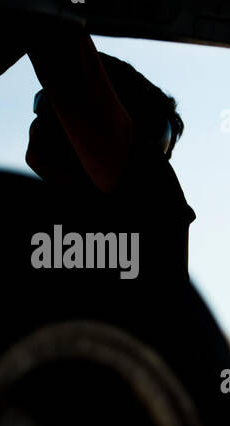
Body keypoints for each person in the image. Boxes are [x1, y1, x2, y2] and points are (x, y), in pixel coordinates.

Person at [23, 22, 195, 285]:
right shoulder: (68, 221)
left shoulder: (150, 189)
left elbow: (53, 31)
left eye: (55, 99)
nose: (40, 114)